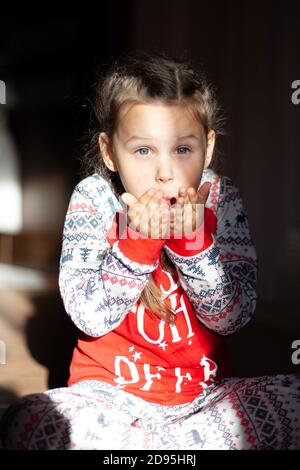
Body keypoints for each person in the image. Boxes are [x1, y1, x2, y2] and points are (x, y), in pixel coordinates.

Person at [1, 52, 299, 450]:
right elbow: (89, 317)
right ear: (109, 151)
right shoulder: (94, 199)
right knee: (28, 419)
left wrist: (192, 243)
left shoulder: (221, 198)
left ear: (207, 148)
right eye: (143, 151)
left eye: (181, 150)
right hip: (107, 398)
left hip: (203, 399)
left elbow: (232, 317)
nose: (164, 172)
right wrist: (139, 240)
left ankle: (157, 446)